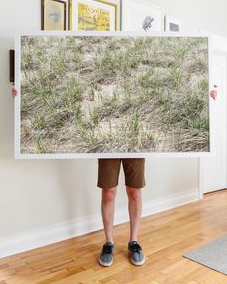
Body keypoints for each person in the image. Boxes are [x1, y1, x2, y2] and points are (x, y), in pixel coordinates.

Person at [12, 85, 218, 267]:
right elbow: (67, 96)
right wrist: (22, 97)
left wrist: (204, 96)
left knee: (134, 192)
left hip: (135, 144)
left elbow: (169, 95)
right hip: (107, 143)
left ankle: (134, 242)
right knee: (109, 193)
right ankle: (109, 243)